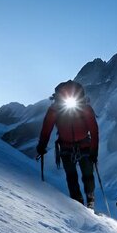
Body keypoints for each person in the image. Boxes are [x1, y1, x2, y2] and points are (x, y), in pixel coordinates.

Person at [36, 80, 99, 209]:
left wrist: (42, 145)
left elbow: (46, 129)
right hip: (82, 146)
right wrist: (93, 151)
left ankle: (81, 202)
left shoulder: (55, 109)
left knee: (73, 177)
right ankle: (86, 201)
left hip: (66, 147)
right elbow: (93, 131)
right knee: (85, 175)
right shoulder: (84, 108)